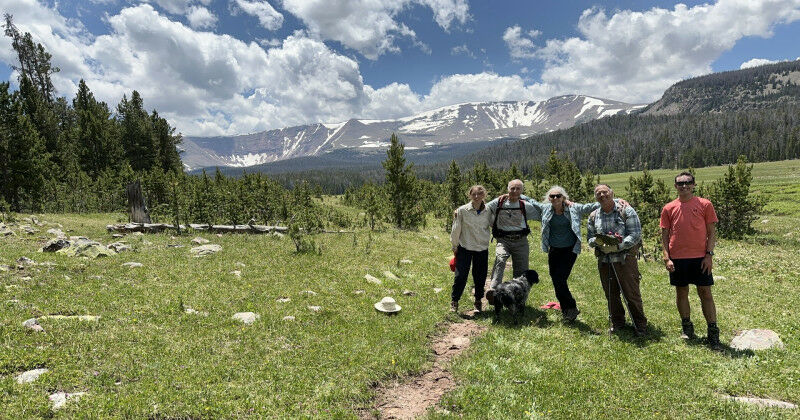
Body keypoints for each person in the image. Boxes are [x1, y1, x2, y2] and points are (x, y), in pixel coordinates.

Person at [660, 172, 720, 349]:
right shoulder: (668, 208)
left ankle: (713, 332)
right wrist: (666, 257)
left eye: (688, 183)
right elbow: (664, 235)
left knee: (705, 293)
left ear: (694, 185)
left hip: (700, 257)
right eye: (680, 183)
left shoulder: (704, 204)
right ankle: (687, 327)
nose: (684, 186)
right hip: (678, 258)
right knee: (681, 292)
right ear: (675, 186)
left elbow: (711, 232)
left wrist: (709, 254)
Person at [587, 184, 648, 336]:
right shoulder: (594, 215)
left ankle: (640, 325)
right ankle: (618, 322)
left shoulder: (626, 210)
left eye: (605, 192)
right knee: (611, 294)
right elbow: (589, 238)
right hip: (604, 260)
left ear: (612, 193)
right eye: (598, 193)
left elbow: (635, 234)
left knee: (631, 293)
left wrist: (618, 246)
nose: (602, 195)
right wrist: (597, 242)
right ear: (595, 197)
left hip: (624, 259)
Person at [484, 179, 543, 306]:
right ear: (507, 189)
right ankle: (493, 291)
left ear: (522, 191)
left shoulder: (525, 205)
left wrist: (527, 198)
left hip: (521, 241)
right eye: (512, 188)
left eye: (518, 189)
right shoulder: (499, 202)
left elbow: (542, 211)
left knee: (521, 271)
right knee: (500, 260)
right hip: (503, 240)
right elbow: (484, 208)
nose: (515, 191)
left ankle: (517, 297)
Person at [450, 185, 494, 312]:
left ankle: (478, 301)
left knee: (480, 277)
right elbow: (456, 229)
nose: (476, 197)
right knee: (460, 276)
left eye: (479, 194)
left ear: (484, 195)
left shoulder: (488, 211)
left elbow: (494, 223)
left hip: (482, 248)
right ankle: (454, 301)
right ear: (469, 195)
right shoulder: (463, 210)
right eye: (473, 194)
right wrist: (454, 245)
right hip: (465, 247)